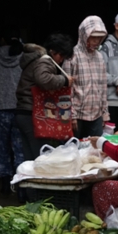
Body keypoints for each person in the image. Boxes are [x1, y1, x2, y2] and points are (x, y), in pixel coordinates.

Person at [13, 33, 74, 162]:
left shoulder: (35, 59)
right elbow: (44, 79)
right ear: (53, 51)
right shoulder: (45, 60)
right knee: (41, 160)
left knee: (30, 160)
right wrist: (64, 80)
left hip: (23, 112)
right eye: (61, 55)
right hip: (33, 114)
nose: (61, 60)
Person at [0, 28, 25, 195]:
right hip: (20, 110)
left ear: (1, 40)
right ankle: (22, 190)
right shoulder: (23, 59)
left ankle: (5, 186)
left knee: (1, 149)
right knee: (20, 150)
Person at [64, 16, 109, 139]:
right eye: (92, 37)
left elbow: (103, 87)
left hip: (96, 114)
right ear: (84, 35)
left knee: (96, 151)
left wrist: (104, 114)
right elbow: (68, 89)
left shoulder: (100, 57)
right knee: (76, 149)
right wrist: (71, 115)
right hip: (77, 115)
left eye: (99, 38)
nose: (95, 41)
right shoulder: (72, 55)